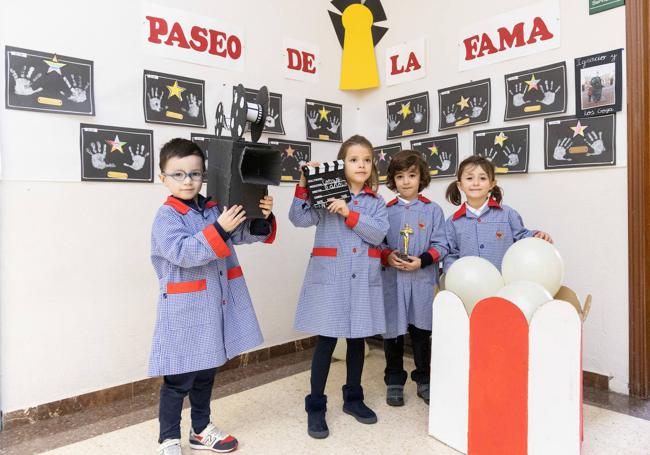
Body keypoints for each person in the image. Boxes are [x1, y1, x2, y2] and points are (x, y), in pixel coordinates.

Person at [149, 138, 276, 454]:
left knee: (206, 371)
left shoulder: (213, 207)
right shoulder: (166, 217)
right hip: (185, 308)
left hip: (214, 304)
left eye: (194, 173)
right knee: (178, 380)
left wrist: (261, 218)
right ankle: (168, 438)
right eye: (178, 174)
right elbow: (182, 253)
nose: (188, 181)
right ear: (162, 177)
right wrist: (218, 228)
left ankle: (201, 429)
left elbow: (240, 234)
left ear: (204, 175)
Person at [289, 135, 389, 439]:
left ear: (372, 166)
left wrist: (350, 214)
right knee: (327, 341)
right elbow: (298, 218)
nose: (361, 165)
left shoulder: (376, 202)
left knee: (358, 341)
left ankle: (353, 400)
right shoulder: (325, 195)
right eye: (353, 159)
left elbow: (378, 233)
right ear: (341, 163)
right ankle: (316, 406)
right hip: (331, 279)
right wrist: (304, 184)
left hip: (362, 279)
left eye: (367, 160)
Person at [380, 150, 448, 407]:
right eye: (400, 176)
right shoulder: (384, 211)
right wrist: (387, 255)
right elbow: (377, 242)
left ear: (421, 178)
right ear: (393, 180)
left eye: (411, 175)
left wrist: (423, 260)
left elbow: (442, 244)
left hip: (421, 281)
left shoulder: (433, 211)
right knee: (393, 334)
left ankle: (424, 379)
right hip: (393, 281)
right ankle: (394, 380)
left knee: (421, 333)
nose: (406, 181)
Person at [444, 155, 552, 274]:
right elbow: (452, 254)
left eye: (482, 178)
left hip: (504, 283)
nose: (475, 183)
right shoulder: (452, 222)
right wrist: (452, 273)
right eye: (469, 178)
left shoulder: (507, 214)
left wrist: (537, 235)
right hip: (469, 286)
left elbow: (521, 237)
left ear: (492, 184)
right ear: (460, 186)